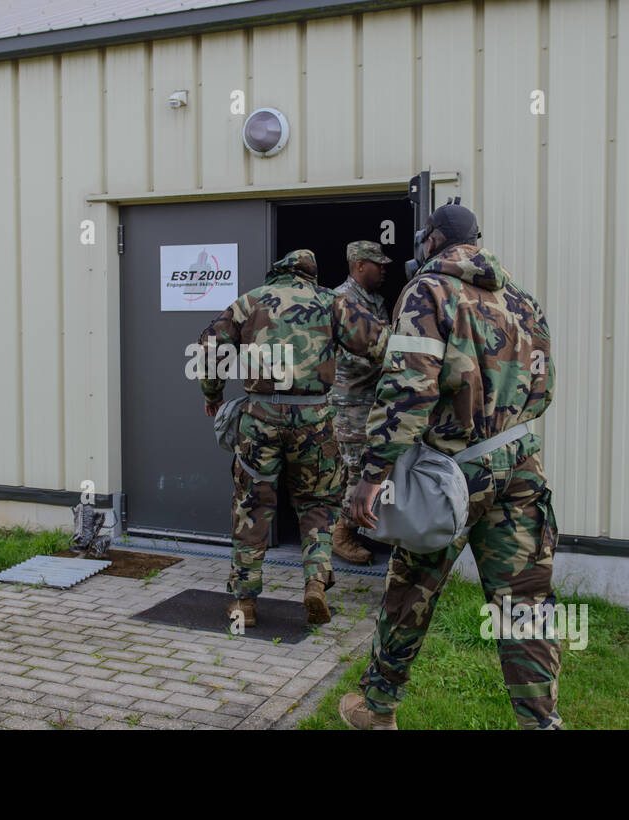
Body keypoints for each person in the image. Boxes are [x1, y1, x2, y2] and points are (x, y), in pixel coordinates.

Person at [338, 203, 563, 730]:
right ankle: (541, 721)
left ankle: (376, 709)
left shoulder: (428, 289)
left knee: (411, 587)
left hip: (452, 471)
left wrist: (372, 477)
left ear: (433, 240)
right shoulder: (522, 301)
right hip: (520, 463)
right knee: (525, 599)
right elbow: (544, 387)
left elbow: (405, 390)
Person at [200, 250, 388, 627]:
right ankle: (315, 583)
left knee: (252, 506)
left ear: (277, 273)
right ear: (311, 275)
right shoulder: (333, 302)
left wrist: (213, 395)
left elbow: (209, 349)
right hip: (315, 418)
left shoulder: (248, 301)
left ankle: (244, 603)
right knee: (317, 504)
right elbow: (382, 346)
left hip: (260, 418)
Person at [330, 240, 392, 565]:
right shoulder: (341, 302)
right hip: (349, 404)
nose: (384, 269)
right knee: (355, 472)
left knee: (371, 468)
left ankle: (354, 527)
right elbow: (346, 356)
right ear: (359, 265)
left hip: (373, 402)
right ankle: (342, 534)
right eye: (377, 263)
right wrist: (390, 358)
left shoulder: (375, 302)